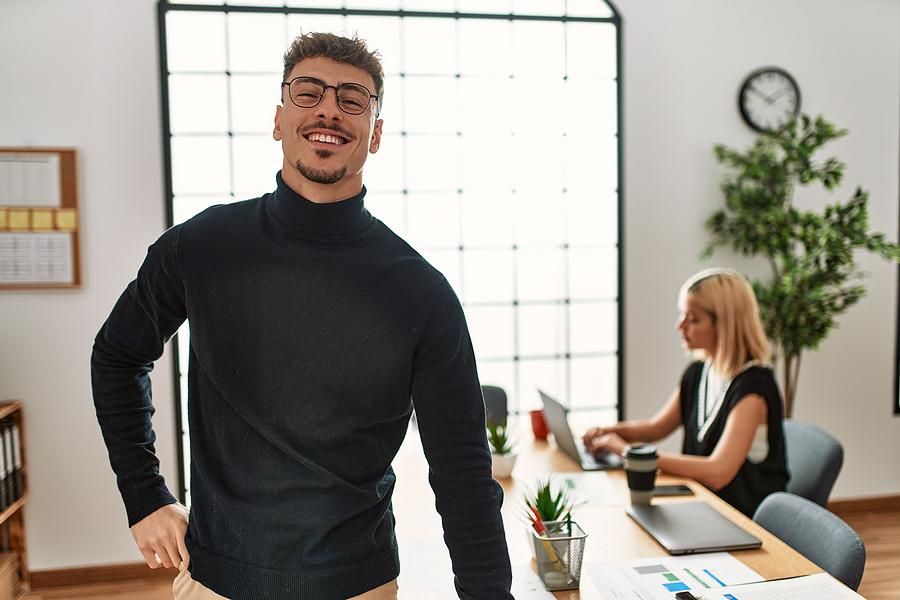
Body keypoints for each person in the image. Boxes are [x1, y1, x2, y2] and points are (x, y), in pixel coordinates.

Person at [91, 32, 513, 600]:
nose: (329, 111)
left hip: (357, 584)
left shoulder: (419, 292)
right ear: (279, 118)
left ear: (376, 132)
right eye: (308, 92)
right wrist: (143, 495)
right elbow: (116, 355)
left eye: (353, 100)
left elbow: (462, 471)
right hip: (216, 579)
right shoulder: (203, 247)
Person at [583, 268, 789, 517]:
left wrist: (628, 453)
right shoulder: (699, 372)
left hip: (741, 518)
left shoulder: (753, 387)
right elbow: (655, 427)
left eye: (693, 319)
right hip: (702, 505)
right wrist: (609, 432)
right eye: (682, 315)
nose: (680, 325)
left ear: (724, 324)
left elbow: (718, 472)